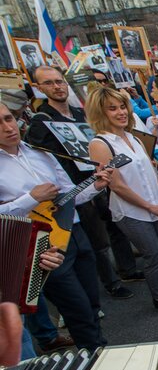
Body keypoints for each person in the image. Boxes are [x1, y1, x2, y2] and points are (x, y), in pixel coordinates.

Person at [0, 101, 112, 351]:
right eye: (0, 123)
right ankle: (94, 355)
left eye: (8, 118)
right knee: (76, 308)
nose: (8, 127)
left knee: (92, 303)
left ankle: (98, 350)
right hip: (41, 246)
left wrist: (95, 186)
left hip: (74, 232)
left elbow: (68, 195)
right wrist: (30, 198)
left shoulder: (40, 152)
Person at [26, 66, 142, 297]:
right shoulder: (42, 120)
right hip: (74, 187)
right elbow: (40, 159)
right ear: (39, 88)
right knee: (96, 239)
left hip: (99, 178)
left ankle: (127, 268)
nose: (57, 87)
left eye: (59, 81)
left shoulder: (81, 114)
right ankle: (111, 283)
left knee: (114, 226)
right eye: (49, 83)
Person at [87, 86, 158, 313]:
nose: (121, 112)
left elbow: (152, 173)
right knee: (153, 255)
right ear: (100, 112)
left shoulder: (134, 138)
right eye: (112, 108)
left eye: (122, 107)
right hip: (132, 211)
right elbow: (116, 185)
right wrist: (149, 206)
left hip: (157, 204)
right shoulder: (100, 144)